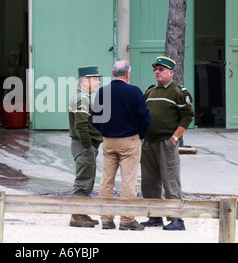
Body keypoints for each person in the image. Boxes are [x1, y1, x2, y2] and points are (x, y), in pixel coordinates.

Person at [91, 60, 151, 230]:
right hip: (130, 140)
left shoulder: (103, 91)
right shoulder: (134, 91)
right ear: (128, 74)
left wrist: (104, 130)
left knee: (106, 181)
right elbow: (145, 118)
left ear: (112, 73)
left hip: (109, 141)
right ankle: (126, 219)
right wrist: (141, 135)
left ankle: (107, 219)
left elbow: (94, 118)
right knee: (128, 181)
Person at [140, 56, 195, 231]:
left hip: (166, 143)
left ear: (171, 72)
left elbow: (188, 116)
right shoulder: (150, 91)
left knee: (170, 180)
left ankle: (176, 219)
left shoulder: (179, 92)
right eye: (156, 69)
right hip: (148, 143)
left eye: (161, 69)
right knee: (149, 181)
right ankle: (154, 216)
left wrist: (174, 138)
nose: (157, 72)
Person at [68, 65, 103, 228]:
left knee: (87, 179)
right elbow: (81, 124)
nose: (98, 82)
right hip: (82, 145)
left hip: (82, 144)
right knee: (83, 181)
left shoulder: (82, 96)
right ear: (84, 81)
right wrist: (88, 145)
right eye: (95, 79)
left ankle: (81, 212)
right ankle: (76, 216)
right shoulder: (82, 97)